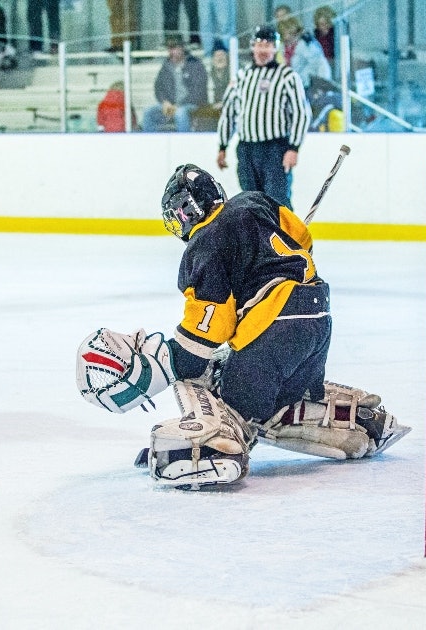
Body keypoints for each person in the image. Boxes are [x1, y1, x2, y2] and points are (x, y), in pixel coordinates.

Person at [75, 164, 409, 489]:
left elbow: (204, 337)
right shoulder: (255, 201)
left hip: (276, 326)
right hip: (318, 318)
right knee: (274, 402)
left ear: (185, 212)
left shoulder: (204, 245)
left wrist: (165, 363)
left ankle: (211, 446)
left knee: (214, 382)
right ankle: (352, 420)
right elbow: (302, 238)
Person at [216, 24, 311, 209]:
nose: (263, 49)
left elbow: (301, 113)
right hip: (246, 149)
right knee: (250, 203)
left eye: (268, 45)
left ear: (275, 48)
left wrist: (294, 147)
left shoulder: (287, 76)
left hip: (275, 149)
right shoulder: (242, 76)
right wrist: (222, 145)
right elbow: (229, 112)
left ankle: (286, 237)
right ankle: (257, 239)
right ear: (253, 46)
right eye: (260, 44)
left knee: (277, 201)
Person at [142, 36, 208, 132]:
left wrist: (179, 105)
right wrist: (164, 102)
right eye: (169, 49)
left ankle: (183, 143)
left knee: (180, 113)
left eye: (174, 48)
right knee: (148, 113)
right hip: (170, 105)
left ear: (182, 48)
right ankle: (151, 144)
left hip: (193, 105)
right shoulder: (166, 66)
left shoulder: (195, 64)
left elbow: (198, 92)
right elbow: (158, 87)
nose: (171, 52)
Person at [278, 15, 331, 89]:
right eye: (284, 33)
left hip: (309, 86)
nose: (287, 37)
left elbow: (320, 65)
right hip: (290, 85)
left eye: (290, 33)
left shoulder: (307, 45)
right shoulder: (282, 47)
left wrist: (320, 86)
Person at [312, 5, 336, 71]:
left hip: (334, 67)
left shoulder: (336, 36)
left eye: (327, 23)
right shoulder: (315, 37)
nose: (325, 27)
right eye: (321, 24)